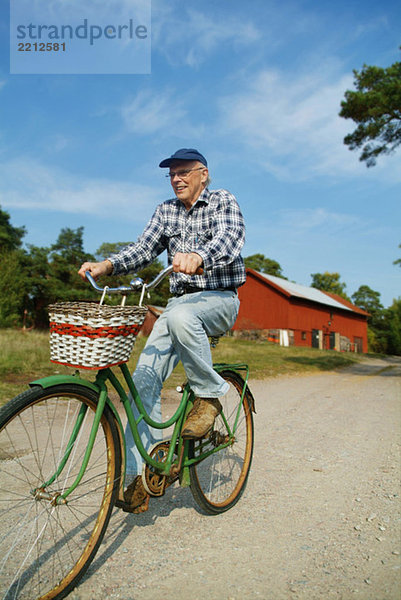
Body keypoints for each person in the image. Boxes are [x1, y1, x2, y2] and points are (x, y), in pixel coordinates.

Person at [78, 148, 246, 513]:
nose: (177, 178)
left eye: (185, 171)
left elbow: (230, 240)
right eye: (171, 173)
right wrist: (106, 264)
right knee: (143, 385)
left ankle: (210, 394)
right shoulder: (165, 210)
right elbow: (143, 249)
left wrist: (200, 257)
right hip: (177, 307)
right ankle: (139, 479)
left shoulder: (222, 201)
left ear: (203, 173)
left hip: (219, 298)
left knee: (183, 317)